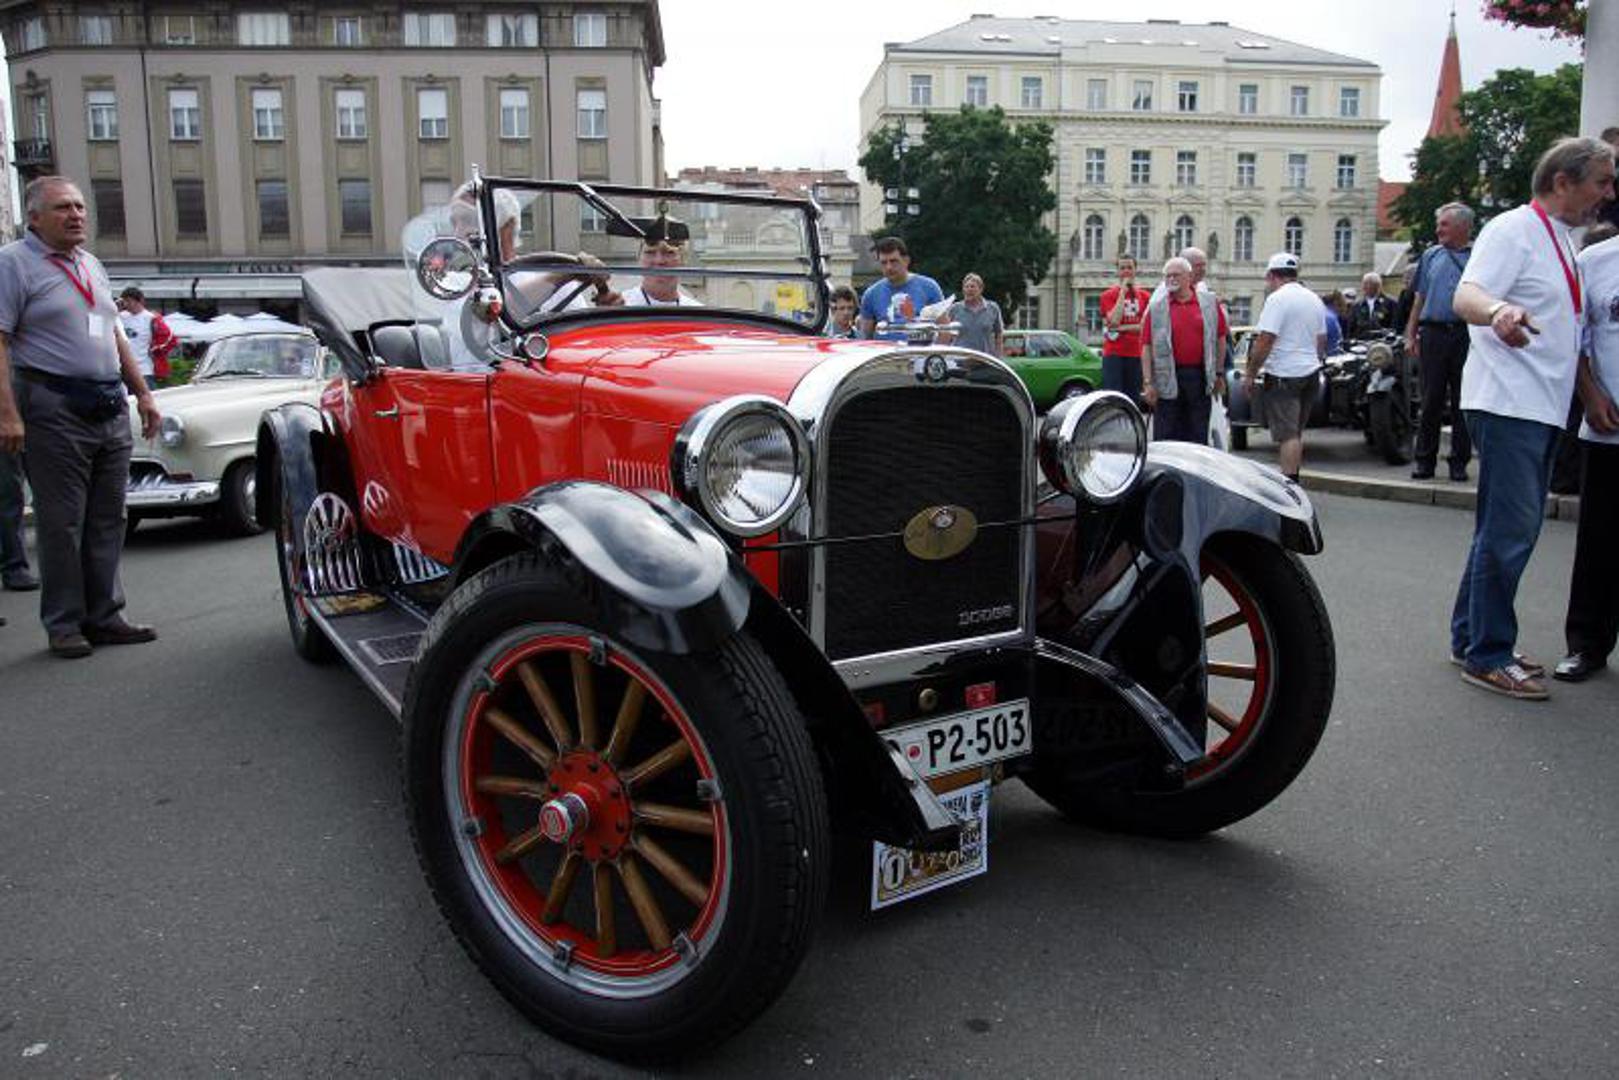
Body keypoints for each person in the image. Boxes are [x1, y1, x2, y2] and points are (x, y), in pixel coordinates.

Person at [1447, 136, 1616, 700]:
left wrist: (1586, 392)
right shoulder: (1513, 229)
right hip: (1509, 402)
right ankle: (1488, 655)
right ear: (1563, 182)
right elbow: (1467, 295)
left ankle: (1472, 639)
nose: (1608, 194)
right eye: (1602, 182)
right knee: (1511, 532)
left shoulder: (1561, 239)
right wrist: (1499, 310)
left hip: (1534, 405)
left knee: (1499, 531)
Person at [0, 175, 162, 658]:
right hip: (52, 404)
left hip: (107, 403)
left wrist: (143, 393)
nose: (75, 215)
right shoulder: (13, 264)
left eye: (79, 207)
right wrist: (8, 414)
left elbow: (112, 333)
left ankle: (105, 616)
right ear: (34, 218)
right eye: (62, 208)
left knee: (109, 517)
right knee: (62, 521)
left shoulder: (90, 264)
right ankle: (65, 623)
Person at [1553, 226, 1619, 682]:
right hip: (1609, 428)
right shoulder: (1595, 262)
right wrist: (1591, 396)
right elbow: (1572, 339)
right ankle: (1587, 645)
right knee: (1600, 544)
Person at [1405, 202, 1477, 481]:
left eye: (1444, 225)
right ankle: (1424, 461)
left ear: (1462, 227)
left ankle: (1459, 463)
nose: (1438, 230)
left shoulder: (1478, 256)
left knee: (1463, 401)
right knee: (1430, 400)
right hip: (1433, 334)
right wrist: (1411, 333)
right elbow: (1419, 298)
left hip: (1465, 334)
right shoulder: (1431, 255)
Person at [1246, 252, 1327, 482]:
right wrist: (1313, 360)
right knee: (1296, 432)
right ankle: (1294, 479)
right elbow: (1321, 339)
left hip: (1284, 373)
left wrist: (1250, 374)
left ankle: (1290, 485)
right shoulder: (1314, 298)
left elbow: (1265, 340)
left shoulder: (1277, 299)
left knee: (1288, 435)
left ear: (1272, 276)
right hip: (1310, 372)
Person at [1141, 256, 1227, 443]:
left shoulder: (1209, 303)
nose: (1171, 279)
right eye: (1167, 276)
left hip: (1199, 376)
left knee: (1197, 432)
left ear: (1189, 276)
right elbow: (1146, 346)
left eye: (1176, 275)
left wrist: (1219, 373)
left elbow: (1220, 338)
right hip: (1167, 377)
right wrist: (1148, 382)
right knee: (1166, 434)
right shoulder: (1156, 307)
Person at [858, 237, 942, 341]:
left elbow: (944, 329)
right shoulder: (871, 295)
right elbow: (865, 337)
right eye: (884, 262)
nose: (889, 267)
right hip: (885, 351)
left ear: (906, 261)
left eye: (893, 261)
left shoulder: (929, 288)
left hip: (920, 350)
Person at [1099, 255, 1151, 403]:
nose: (1126, 271)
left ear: (1135, 270)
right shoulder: (1107, 295)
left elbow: (1144, 327)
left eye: (1129, 267)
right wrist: (1122, 293)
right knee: (1113, 398)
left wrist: (1121, 329)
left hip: (1136, 353)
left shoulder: (1145, 296)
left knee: (1134, 398)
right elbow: (1114, 321)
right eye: (1122, 268)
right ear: (1118, 271)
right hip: (1114, 354)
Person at [115, 286, 177, 384]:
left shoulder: (151, 318)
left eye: (129, 301)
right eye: (124, 301)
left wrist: (155, 350)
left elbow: (170, 338)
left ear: (139, 301)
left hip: (144, 370)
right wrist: (115, 307)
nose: (126, 304)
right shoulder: (120, 317)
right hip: (123, 370)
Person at [942, 273, 1003, 356]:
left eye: (972, 287)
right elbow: (945, 333)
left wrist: (998, 355)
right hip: (959, 359)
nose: (969, 289)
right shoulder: (954, 309)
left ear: (980, 289)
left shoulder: (993, 308)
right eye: (966, 287)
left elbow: (999, 334)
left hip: (985, 359)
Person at [1345, 273, 1398, 339]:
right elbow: (1351, 328)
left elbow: (1395, 326)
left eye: (1369, 284)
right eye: (1364, 284)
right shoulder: (1357, 305)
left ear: (1378, 286)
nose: (1365, 287)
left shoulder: (1391, 303)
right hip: (1361, 342)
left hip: (1383, 342)